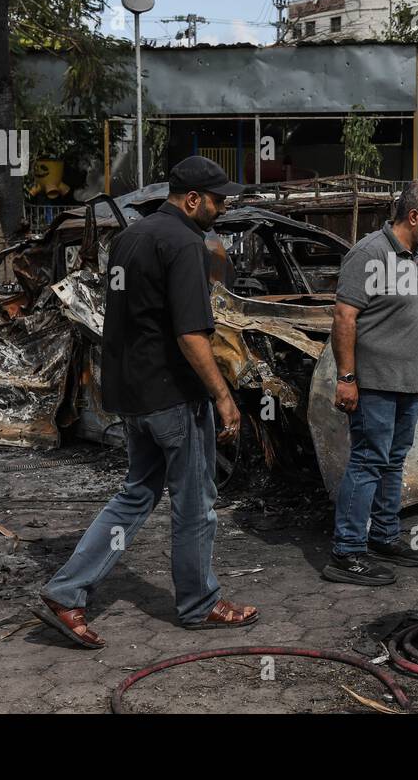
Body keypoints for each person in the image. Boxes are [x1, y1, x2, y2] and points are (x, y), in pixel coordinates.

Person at [33, 156, 258, 648]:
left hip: (133, 394)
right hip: (174, 396)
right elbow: (191, 335)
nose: (221, 209)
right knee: (196, 503)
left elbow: (125, 320)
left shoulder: (129, 237)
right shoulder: (185, 243)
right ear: (192, 199)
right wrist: (223, 397)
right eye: (217, 200)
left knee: (137, 493)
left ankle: (66, 590)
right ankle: (200, 603)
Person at [323, 179, 418, 586]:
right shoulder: (368, 253)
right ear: (413, 216)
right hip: (373, 383)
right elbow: (344, 318)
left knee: (393, 460)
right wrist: (346, 378)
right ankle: (347, 552)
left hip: (407, 381)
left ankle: (383, 536)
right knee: (368, 461)